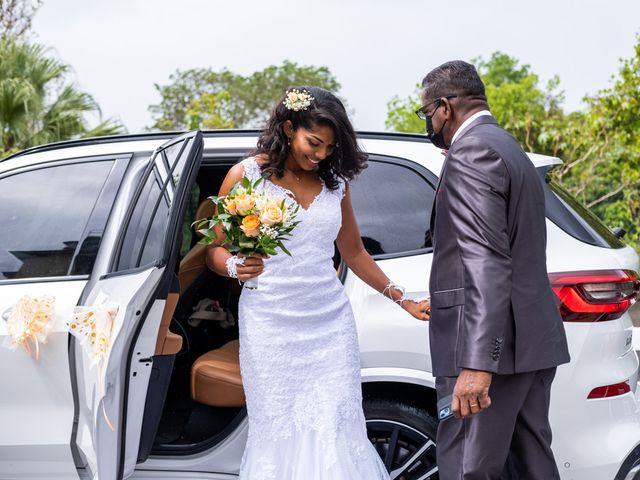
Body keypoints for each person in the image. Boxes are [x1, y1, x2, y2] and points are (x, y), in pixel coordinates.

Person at [206, 86, 430, 479]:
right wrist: (233, 267)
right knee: (278, 428)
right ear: (288, 128)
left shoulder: (335, 185)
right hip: (270, 325)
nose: (322, 155)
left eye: (330, 147)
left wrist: (402, 299)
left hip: (329, 325)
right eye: (314, 143)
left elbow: (355, 253)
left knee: (336, 427)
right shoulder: (246, 176)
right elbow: (214, 250)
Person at [417, 61, 570, 479]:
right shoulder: (506, 145)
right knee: (530, 465)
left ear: (444, 107)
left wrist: (478, 362)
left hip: (489, 350)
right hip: (529, 341)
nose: (427, 122)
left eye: (425, 112)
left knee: (468, 467)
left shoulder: (471, 152)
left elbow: (486, 260)